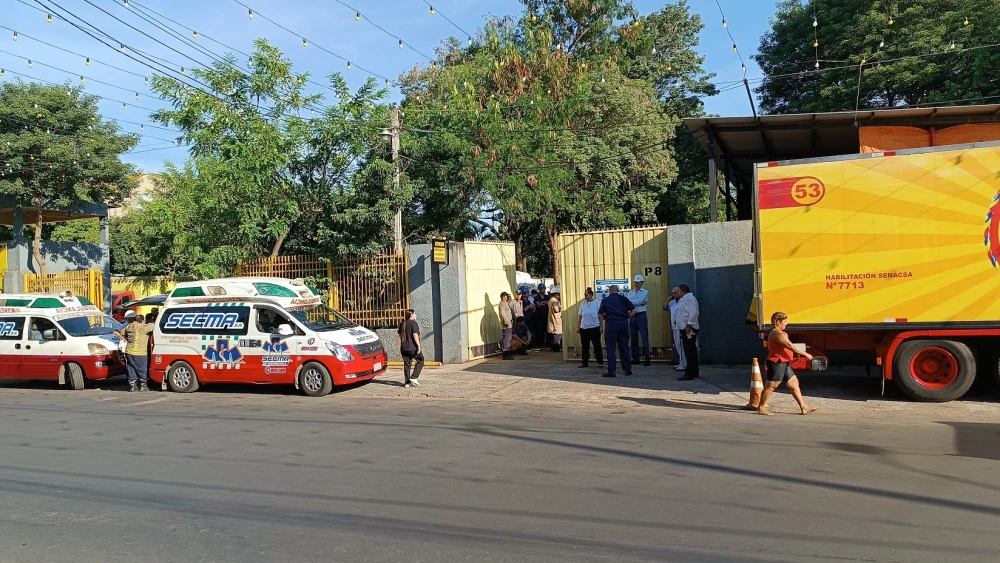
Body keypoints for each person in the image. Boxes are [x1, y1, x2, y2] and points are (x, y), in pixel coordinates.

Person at [758, 312, 818, 416]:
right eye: (784, 321)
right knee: (771, 386)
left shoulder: (780, 332)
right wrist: (806, 354)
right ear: (777, 322)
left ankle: (804, 407)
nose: (786, 324)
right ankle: (761, 407)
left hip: (785, 362)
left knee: (794, 383)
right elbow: (790, 346)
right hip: (777, 362)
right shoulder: (776, 333)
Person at [598, 285, 636, 377]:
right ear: (617, 291)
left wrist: (606, 319)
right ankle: (627, 370)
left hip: (611, 324)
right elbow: (634, 310)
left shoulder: (606, 300)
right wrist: (626, 317)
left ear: (609, 291)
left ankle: (611, 371)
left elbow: (600, 313)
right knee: (624, 347)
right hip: (623, 324)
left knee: (611, 348)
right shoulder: (624, 299)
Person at [114, 310, 153, 392]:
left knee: (131, 368)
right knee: (142, 369)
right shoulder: (143, 327)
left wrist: (124, 339)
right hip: (140, 352)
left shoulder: (128, 326)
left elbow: (118, 332)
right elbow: (155, 325)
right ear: (142, 320)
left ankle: (133, 386)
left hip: (129, 351)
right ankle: (143, 386)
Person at [675, 283, 700, 381]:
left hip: (689, 329)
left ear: (682, 291)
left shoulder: (689, 299)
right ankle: (694, 372)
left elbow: (693, 312)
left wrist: (689, 325)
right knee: (691, 351)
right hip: (686, 328)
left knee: (689, 351)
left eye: (679, 291)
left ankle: (689, 373)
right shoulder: (686, 299)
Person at [627, 274, 651, 366]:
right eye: (635, 282)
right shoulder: (631, 292)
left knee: (644, 338)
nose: (636, 284)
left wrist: (637, 302)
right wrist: (640, 303)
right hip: (633, 315)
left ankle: (647, 359)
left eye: (638, 282)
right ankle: (635, 358)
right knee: (633, 339)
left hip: (641, 315)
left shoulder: (645, 292)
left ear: (642, 283)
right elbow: (633, 302)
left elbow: (635, 302)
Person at [577, 287, 603, 368]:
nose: (585, 297)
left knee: (597, 345)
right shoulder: (583, 303)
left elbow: (600, 315)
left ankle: (600, 362)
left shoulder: (597, 303)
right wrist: (578, 327)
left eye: (587, 295)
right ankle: (584, 362)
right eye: (584, 295)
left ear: (591, 295)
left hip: (594, 327)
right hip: (584, 328)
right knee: (585, 346)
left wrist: (601, 326)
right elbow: (580, 316)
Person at [397, 309, 423, 387]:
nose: (415, 315)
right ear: (411, 314)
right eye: (414, 313)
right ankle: (414, 377)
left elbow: (399, 335)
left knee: (407, 365)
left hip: (404, 348)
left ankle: (407, 382)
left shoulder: (403, 323)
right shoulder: (413, 323)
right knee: (421, 360)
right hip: (413, 347)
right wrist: (418, 345)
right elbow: (415, 335)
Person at [663, 287, 686, 371]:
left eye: (676, 293)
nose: (674, 295)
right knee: (677, 345)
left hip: (681, 326)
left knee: (682, 345)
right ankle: (681, 362)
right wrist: (668, 300)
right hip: (674, 327)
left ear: (680, 292)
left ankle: (684, 363)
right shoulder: (672, 302)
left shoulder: (683, 301)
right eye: (673, 293)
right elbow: (665, 308)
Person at [533, 283, 550, 348]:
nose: (543, 290)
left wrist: (542, 303)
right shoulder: (536, 297)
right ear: (539, 289)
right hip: (539, 317)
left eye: (543, 289)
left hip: (546, 316)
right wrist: (545, 302)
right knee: (540, 331)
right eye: (541, 289)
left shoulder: (547, 296)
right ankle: (540, 343)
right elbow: (538, 305)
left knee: (547, 330)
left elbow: (549, 303)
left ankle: (548, 343)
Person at [499, 292, 515, 360]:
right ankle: (506, 354)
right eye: (506, 296)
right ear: (503, 297)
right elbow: (503, 313)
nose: (507, 297)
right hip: (506, 324)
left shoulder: (506, 303)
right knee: (506, 339)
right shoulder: (502, 304)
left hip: (509, 322)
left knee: (508, 338)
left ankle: (508, 352)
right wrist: (507, 322)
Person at [547, 286, 563, 352]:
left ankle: (555, 348)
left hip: (553, 320)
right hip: (556, 321)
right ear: (556, 294)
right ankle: (556, 348)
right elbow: (556, 310)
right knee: (557, 335)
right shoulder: (555, 301)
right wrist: (561, 307)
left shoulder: (550, 300)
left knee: (555, 335)